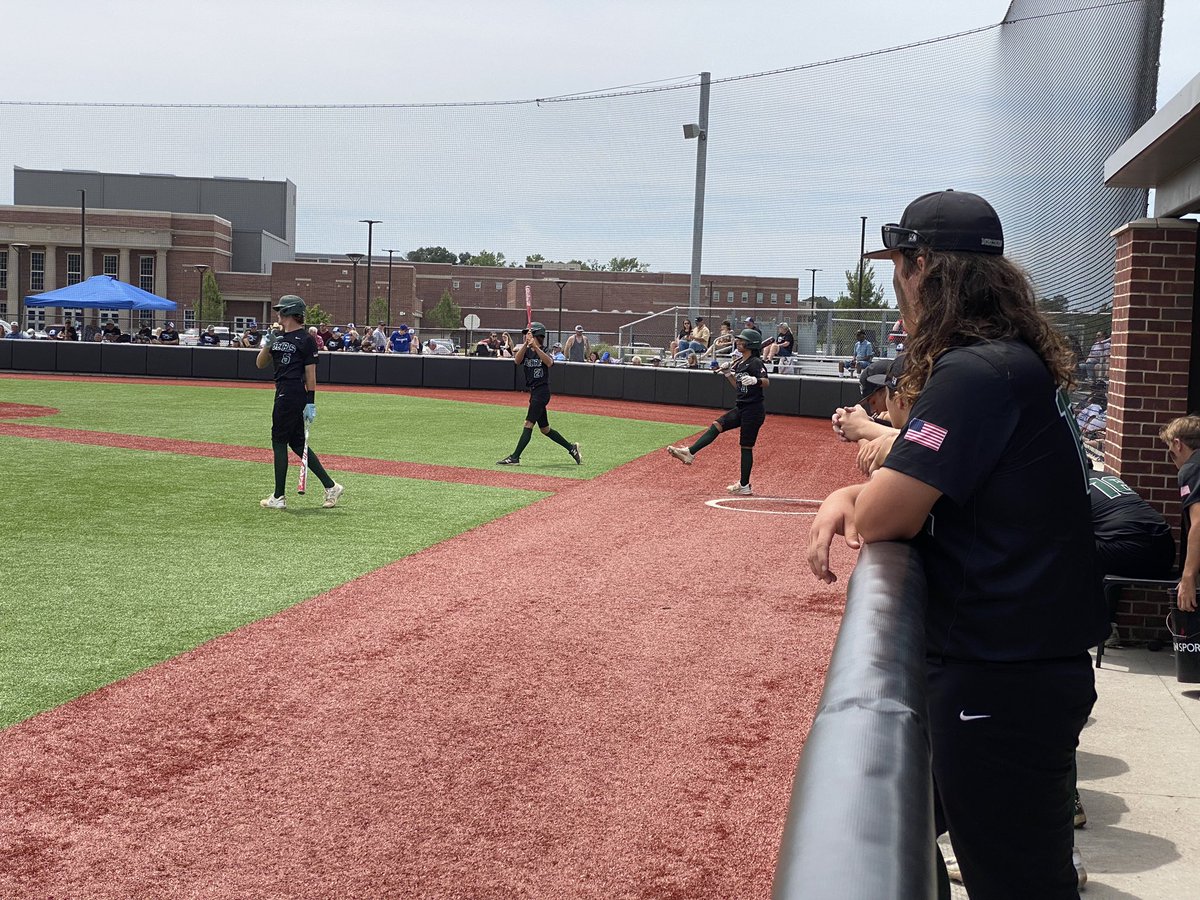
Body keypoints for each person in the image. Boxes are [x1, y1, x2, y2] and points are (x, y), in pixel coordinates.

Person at [807, 189, 1105, 900]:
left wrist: (847, 497)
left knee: (1018, 884)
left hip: (1003, 674)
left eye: (899, 264)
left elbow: (884, 518)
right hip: (1020, 664)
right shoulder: (1005, 360)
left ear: (924, 267)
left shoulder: (976, 372)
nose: (895, 282)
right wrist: (860, 491)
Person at [255, 295, 343, 510]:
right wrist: (267, 344)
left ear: (289, 313)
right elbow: (260, 364)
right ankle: (331, 487)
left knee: (278, 442)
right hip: (283, 391)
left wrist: (310, 401)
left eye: (280, 311)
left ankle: (278, 497)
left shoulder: (305, 339)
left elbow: (310, 373)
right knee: (296, 444)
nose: (277, 314)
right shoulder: (277, 337)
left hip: (292, 392)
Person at [666, 328, 768, 495]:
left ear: (750, 344)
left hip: (753, 410)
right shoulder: (742, 362)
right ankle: (690, 452)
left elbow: (766, 382)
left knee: (746, 447)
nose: (738, 342)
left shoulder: (756, 362)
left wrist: (756, 380)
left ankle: (744, 485)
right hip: (742, 406)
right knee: (717, 425)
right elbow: (739, 387)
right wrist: (728, 374)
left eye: (742, 340)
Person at [496, 322, 582, 467]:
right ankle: (571, 448)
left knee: (528, 424)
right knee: (545, 429)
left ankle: (515, 457)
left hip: (542, 392)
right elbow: (517, 361)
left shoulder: (544, 350)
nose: (526, 336)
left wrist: (535, 347)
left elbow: (549, 362)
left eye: (529, 334)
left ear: (537, 336)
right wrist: (526, 344)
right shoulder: (527, 350)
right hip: (534, 392)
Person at [1162, 415, 1200, 613]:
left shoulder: (1193, 468)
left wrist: (1188, 577)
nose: (1173, 461)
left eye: (1171, 453)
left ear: (1177, 444)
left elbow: (1199, 522)